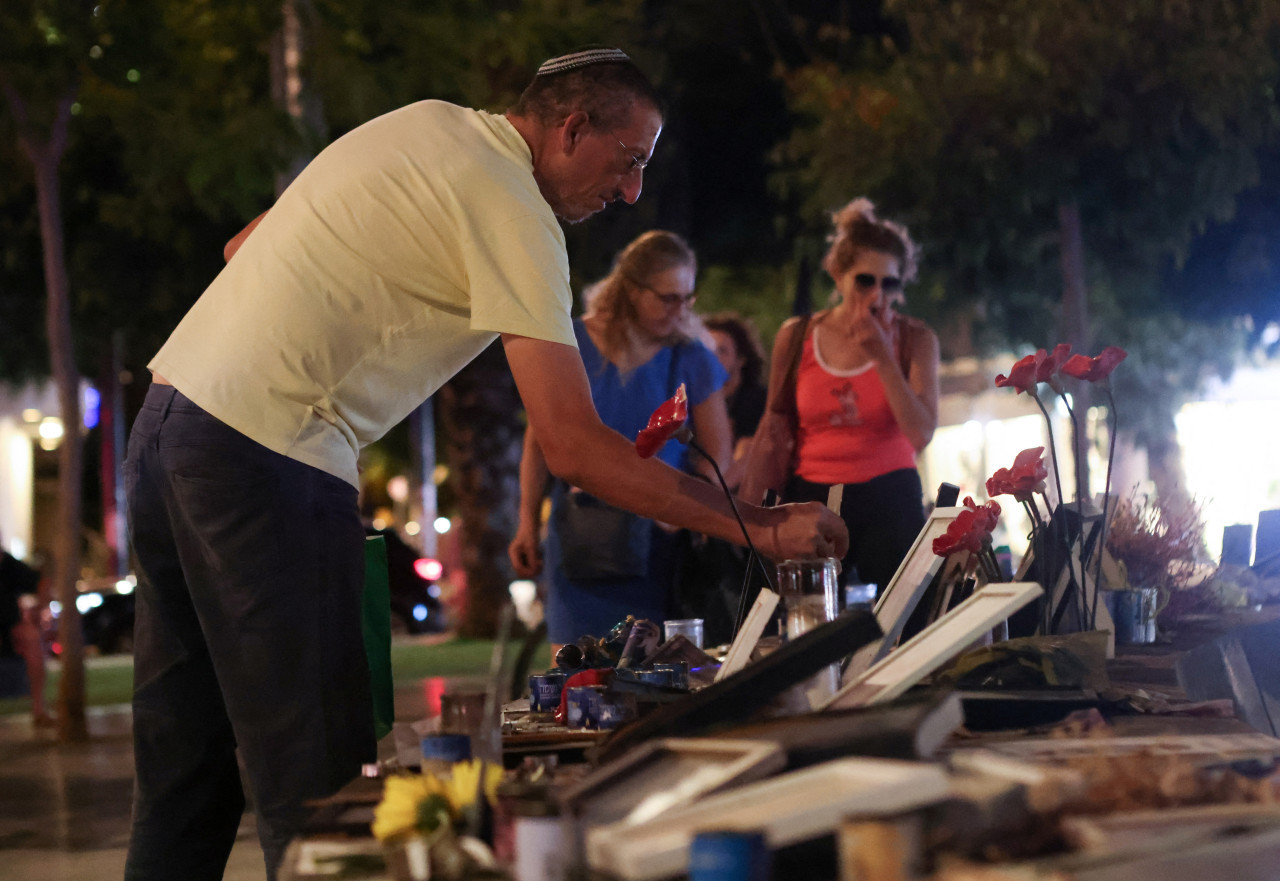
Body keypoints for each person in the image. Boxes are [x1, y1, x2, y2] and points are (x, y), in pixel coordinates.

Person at [124, 48, 847, 881]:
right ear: (572, 128)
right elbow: (575, 447)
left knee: (185, 777)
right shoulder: (517, 209)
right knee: (320, 789)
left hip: (168, 422)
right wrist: (758, 524)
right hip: (266, 456)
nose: (631, 192)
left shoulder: (423, 124)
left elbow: (242, 244)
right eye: (630, 161)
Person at [507, 230, 733, 658]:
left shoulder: (692, 357)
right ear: (630, 289)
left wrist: (690, 513)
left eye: (687, 298)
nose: (679, 310)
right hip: (580, 540)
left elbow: (718, 454)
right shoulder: (571, 343)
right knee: (575, 671)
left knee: (651, 673)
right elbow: (540, 440)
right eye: (668, 298)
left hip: (656, 542)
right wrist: (525, 520)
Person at [741, 197, 939, 594]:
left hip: (890, 490)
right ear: (838, 275)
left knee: (903, 616)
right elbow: (774, 426)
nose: (877, 294)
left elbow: (920, 434)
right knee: (807, 617)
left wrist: (882, 356)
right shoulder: (797, 336)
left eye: (890, 283)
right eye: (865, 280)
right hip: (814, 490)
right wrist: (752, 515)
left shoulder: (914, 340)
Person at [703, 312, 768, 491]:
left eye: (722, 351)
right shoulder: (693, 398)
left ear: (741, 359)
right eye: (706, 350)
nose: (711, 357)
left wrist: (703, 497)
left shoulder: (755, 400)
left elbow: (744, 460)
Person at [0, 541, 49, 727]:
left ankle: (39, 709)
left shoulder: (9, 565)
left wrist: (38, 610)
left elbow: (41, 582)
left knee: (32, 640)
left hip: (10, 627)